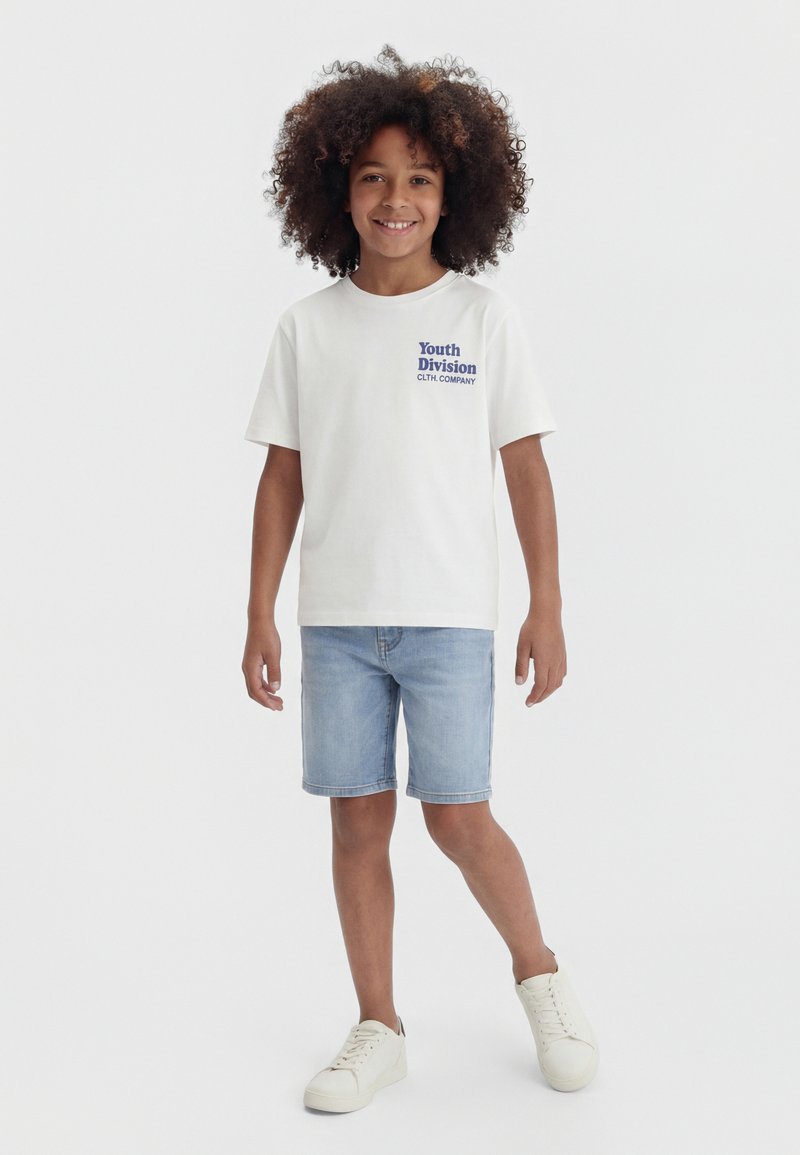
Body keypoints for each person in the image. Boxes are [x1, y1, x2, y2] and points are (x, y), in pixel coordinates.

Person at [241, 45, 599, 1113]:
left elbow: (525, 468)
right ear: (336, 192)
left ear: (454, 194)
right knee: (357, 823)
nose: (395, 200)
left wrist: (547, 602)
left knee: (457, 818)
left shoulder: (482, 319)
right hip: (336, 624)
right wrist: (258, 609)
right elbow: (281, 477)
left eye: (419, 179)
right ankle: (378, 1025)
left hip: (448, 620)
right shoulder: (307, 329)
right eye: (372, 178)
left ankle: (540, 975)